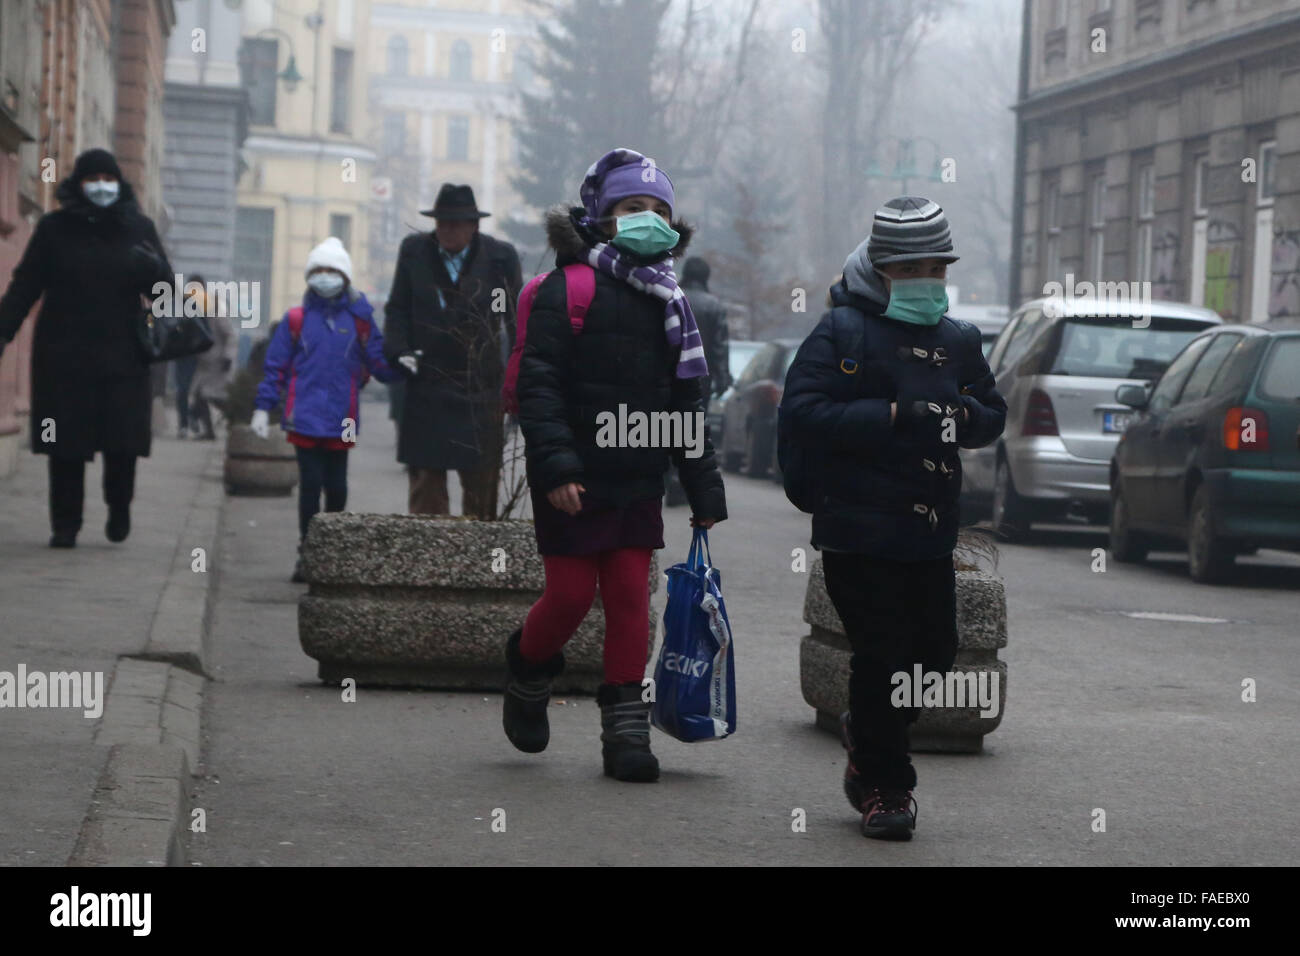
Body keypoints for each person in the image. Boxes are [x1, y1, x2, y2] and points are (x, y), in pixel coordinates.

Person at [781, 197, 1006, 839]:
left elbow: (992, 412)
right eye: (910, 271)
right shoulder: (842, 332)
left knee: (932, 656)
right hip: (856, 528)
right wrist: (888, 415)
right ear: (880, 270)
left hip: (928, 530)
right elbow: (801, 411)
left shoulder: (957, 338)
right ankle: (886, 788)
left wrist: (965, 417)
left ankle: (866, 731)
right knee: (881, 656)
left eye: (934, 269)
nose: (924, 283)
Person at [509, 148, 728, 782]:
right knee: (571, 596)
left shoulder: (672, 301)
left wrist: (702, 487)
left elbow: (689, 400)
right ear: (603, 217)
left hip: (636, 478)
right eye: (634, 208)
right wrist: (554, 467)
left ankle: (626, 730)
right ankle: (526, 669)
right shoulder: (566, 288)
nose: (649, 219)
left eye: (660, 210)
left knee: (633, 597)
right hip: (572, 478)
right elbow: (538, 385)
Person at [0, 148, 172, 547]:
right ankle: (65, 524)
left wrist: (156, 272)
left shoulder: (138, 228)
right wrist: (3, 330)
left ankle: (119, 506)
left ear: (119, 184)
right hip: (63, 357)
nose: (100, 186)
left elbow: (166, 297)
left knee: (122, 444)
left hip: (123, 358)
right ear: (78, 184)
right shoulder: (54, 229)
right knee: (64, 446)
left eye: (108, 179)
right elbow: (26, 284)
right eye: (92, 179)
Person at [251, 237, 400, 581]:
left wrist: (403, 366)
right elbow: (276, 367)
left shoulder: (361, 320)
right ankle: (309, 551)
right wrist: (263, 408)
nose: (325, 276)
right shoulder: (296, 320)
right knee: (310, 484)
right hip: (302, 416)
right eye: (318, 270)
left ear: (345, 276)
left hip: (344, 418)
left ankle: (331, 549)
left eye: (332, 270)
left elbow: (377, 363)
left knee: (337, 484)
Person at [383, 183, 523, 518]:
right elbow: (397, 309)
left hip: (479, 389)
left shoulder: (500, 258)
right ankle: (430, 565)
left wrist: (520, 377)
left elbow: (515, 321)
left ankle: (480, 564)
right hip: (426, 384)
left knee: (482, 493)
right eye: (442, 222)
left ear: (474, 225)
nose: (448, 229)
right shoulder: (414, 252)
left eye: (457, 223)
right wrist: (399, 351)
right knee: (426, 493)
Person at [187, 275, 236, 440]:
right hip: (205, 363)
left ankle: (237, 417)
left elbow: (229, 334)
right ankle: (209, 430)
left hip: (218, 362)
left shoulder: (215, 308)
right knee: (201, 396)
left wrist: (228, 357)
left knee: (215, 397)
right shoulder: (194, 308)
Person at [680, 257, 732, 400]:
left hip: (669, 373)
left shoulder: (671, 297)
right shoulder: (714, 305)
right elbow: (719, 346)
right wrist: (722, 378)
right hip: (701, 375)